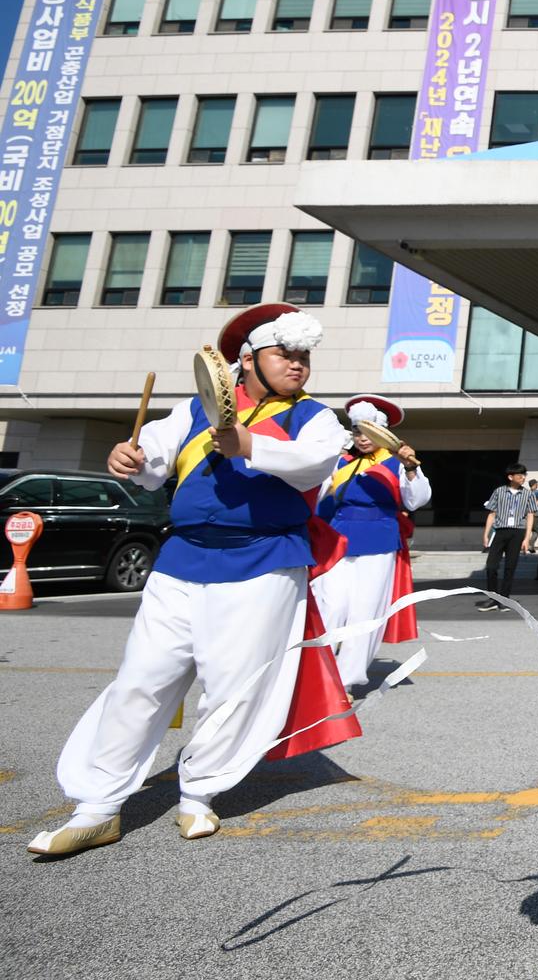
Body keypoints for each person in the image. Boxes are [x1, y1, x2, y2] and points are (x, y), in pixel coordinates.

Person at [30, 304, 357, 856]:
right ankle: (98, 805)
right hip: (180, 561)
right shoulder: (192, 410)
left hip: (264, 562)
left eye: (304, 356)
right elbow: (154, 457)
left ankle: (199, 793)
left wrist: (248, 445)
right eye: (285, 353)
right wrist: (129, 457)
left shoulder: (316, 418)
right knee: (142, 678)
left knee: (233, 687)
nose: (298, 364)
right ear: (247, 360)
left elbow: (313, 463)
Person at [312, 394, 432, 690]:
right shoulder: (340, 461)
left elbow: (416, 499)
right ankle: (317, 673)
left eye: (368, 432)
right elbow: (315, 495)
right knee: (332, 606)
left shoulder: (396, 462)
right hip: (338, 538)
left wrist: (411, 467)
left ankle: (344, 683)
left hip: (379, 540)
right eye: (356, 431)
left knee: (364, 613)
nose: (362, 438)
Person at [479, 462, 538, 611]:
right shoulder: (499, 492)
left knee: (510, 567)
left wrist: (527, 538)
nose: (523, 478)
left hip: (517, 532)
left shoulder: (528, 494)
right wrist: (486, 534)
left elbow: (530, 516)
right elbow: (492, 513)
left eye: (524, 475)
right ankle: (493, 599)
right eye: (520, 475)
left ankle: (504, 600)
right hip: (500, 531)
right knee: (491, 566)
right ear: (510, 476)